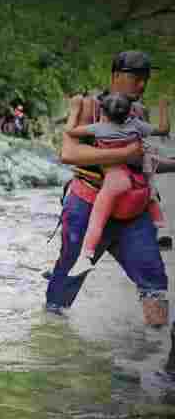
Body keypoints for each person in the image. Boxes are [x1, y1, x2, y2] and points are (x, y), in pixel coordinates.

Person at [46, 51, 173, 363]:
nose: (142, 84)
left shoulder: (139, 112)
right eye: (135, 76)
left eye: (146, 78)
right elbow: (68, 153)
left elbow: (146, 160)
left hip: (133, 212)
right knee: (66, 279)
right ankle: (50, 352)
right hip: (88, 205)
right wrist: (125, 154)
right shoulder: (86, 105)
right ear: (115, 74)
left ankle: (157, 359)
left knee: (155, 280)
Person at [66, 92, 170, 265]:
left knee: (97, 218)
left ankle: (86, 255)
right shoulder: (136, 125)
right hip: (140, 176)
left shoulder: (99, 128)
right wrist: (163, 106)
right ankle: (161, 230)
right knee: (151, 194)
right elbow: (163, 129)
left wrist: (75, 109)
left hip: (116, 179)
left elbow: (70, 131)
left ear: (104, 114)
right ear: (129, 113)